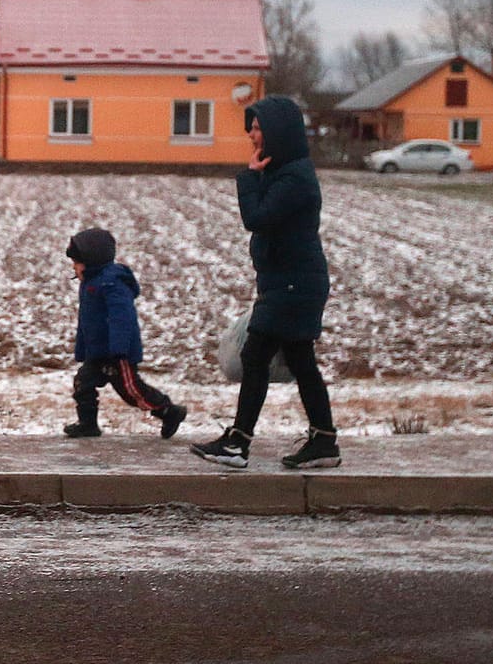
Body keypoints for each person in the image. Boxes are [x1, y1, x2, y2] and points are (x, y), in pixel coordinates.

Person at [191, 95, 340, 469]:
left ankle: (239, 443)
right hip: (289, 282)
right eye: (252, 128)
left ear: (278, 132)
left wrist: (250, 176)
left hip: (293, 285)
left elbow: (256, 217)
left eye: (257, 128)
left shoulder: (294, 178)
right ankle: (324, 441)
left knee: (255, 355)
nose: (252, 136)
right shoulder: (287, 172)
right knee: (301, 361)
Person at [62, 228, 188, 439]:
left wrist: (119, 348)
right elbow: (86, 322)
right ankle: (87, 423)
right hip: (97, 352)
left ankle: (168, 411)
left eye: (76, 263)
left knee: (131, 392)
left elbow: (122, 318)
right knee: (83, 383)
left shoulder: (112, 282)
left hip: (116, 352)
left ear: (92, 260)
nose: (74, 268)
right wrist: (83, 349)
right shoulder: (89, 284)